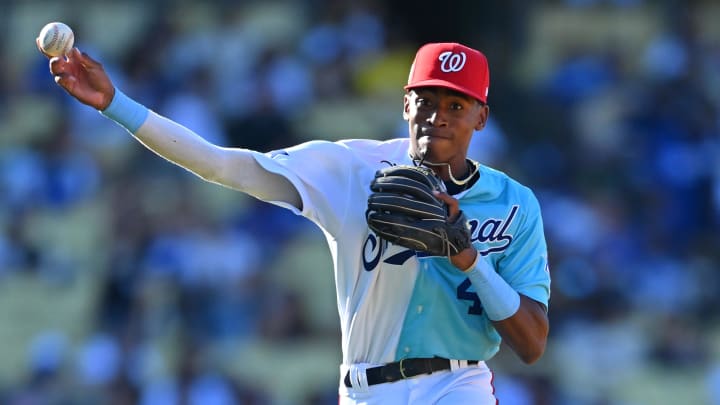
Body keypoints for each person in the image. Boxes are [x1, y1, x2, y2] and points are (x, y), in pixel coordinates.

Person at [40, 39, 550, 404]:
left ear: (480, 117)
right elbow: (223, 164)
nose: (437, 115)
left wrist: (470, 260)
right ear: (404, 104)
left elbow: (531, 343)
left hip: (458, 385)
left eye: (455, 104)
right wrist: (116, 105)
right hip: (368, 389)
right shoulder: (351, 168)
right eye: (426, 100)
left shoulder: (514, 203)